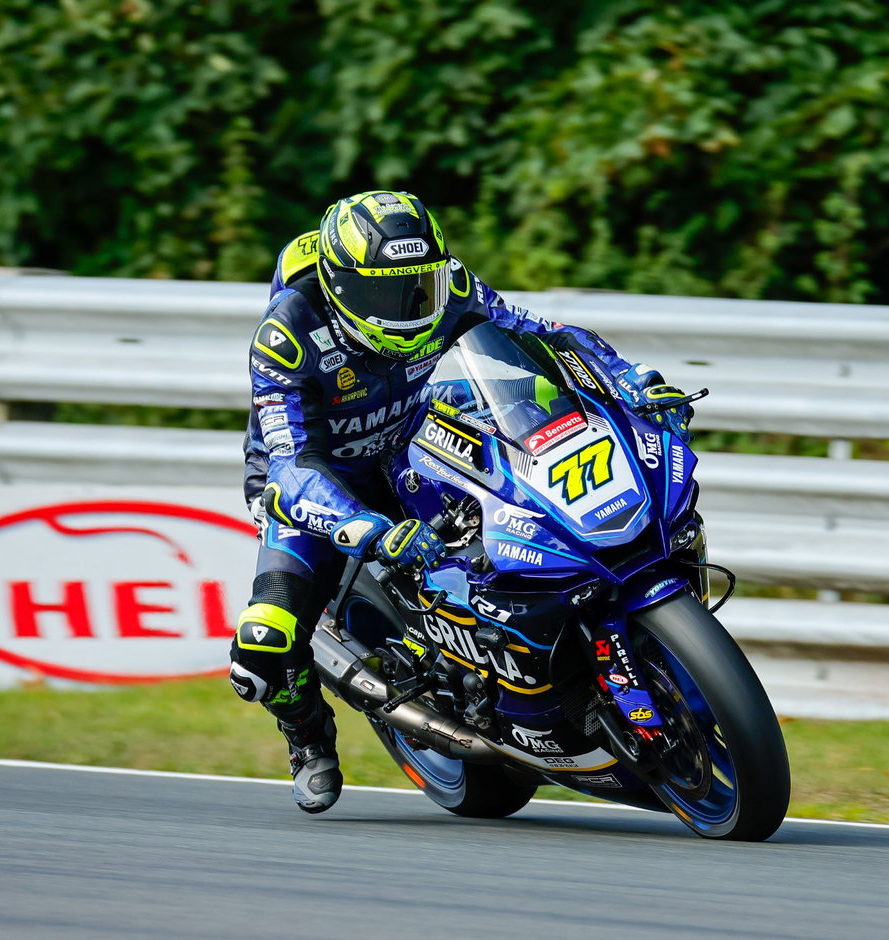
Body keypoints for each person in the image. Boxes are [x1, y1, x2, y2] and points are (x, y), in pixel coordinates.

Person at [228, 190, 692, 815]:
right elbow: (287, 465)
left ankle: (542, 664)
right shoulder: (287, 334)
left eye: (416, 286)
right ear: (340, 288)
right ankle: (307, 737)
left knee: (515, 531)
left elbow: (538, 333)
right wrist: (359, 524)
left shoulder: (448, 287)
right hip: (318, 483)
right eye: (381, 293)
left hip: (406, 446)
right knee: (263, 647)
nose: (406, 305)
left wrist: (627, 376)